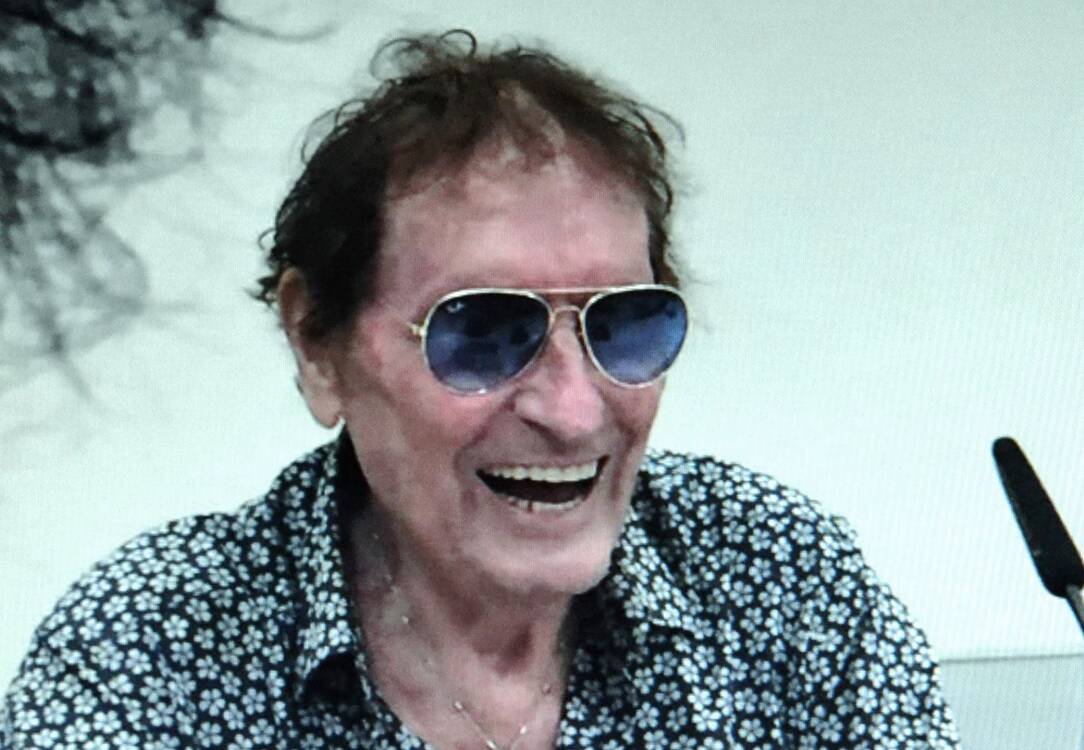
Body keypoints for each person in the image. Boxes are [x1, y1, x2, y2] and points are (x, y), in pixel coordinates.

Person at [1, 30, 960, 750]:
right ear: (318, 345)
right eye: (485, 333)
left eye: (624, 325)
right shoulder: (151, 651)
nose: (573, 411)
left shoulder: (776, 582)